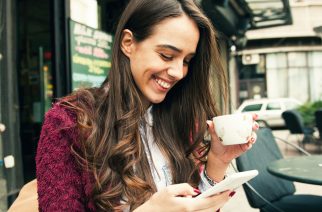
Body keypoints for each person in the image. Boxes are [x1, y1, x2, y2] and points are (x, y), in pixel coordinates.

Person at [36, 0, 258, 211]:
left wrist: (218, 161)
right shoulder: (68, 123)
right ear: (128, 43)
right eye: (166, 55)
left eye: (187, 61)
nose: (178, 72)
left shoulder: (178, 119)